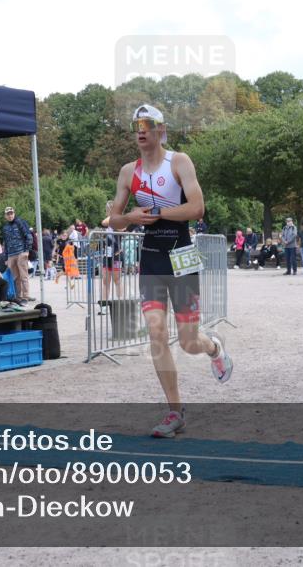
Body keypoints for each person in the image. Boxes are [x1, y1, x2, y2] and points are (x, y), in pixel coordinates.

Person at [107, 104, 233, 438]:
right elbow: (115, 222)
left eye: (148, 124)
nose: (141, 130)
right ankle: (174, 411)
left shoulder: (178, 161)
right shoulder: (127, 172)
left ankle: (214, 348)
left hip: (182, 257)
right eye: (136, 125)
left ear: (161, 130)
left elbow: (197, 207)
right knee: (156, 336)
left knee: (190, 342)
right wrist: (132, 218)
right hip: (150, 260)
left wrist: (158, 211)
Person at [1, 206, 34, 304]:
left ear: (14, 213)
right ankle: (18, 297)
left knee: (24, 276)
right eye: (8, 214)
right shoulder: (5, 228)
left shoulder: (20, 222)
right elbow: (6, 243)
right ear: (5, 216)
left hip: (21, 252)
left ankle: (25, 297)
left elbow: (28, 236)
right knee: (15, 277)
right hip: (11, 255)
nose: (10, 215)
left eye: (11, 213)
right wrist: (6, 257)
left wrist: (27, 251)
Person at [98, 201, 124, 316]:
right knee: (105, 282)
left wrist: (113, 216)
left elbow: (121, 229)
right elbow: (103, 223)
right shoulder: (108, 221)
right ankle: (104, 306)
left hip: (117, 255)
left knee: (117, 280)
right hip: (107, 255)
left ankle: (121, 303)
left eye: (110, 209)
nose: (108, 211)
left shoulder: (120, 221)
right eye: (108, 209)